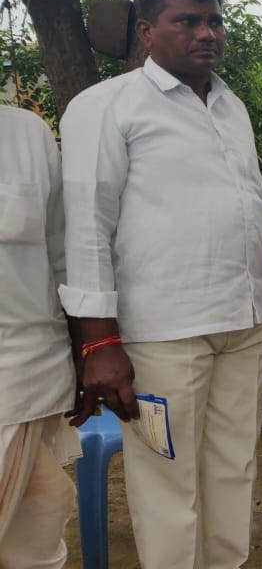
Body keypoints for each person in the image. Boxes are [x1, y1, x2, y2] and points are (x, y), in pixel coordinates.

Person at [59, 0, 262, 568]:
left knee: (234, 470)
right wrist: (98, 342)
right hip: (163, 333)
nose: (205, 33)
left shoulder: (230, 106)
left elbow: (247, 215)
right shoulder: (107, 106)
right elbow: (87, 227)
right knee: (168, 485)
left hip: (240, 326)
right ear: (146, 31)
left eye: (214, 21)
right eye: (186, 21)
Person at [0, 106, 79, 568]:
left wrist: (87, 349)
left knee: (35, 533)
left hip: (26, 374)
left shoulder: (27, 134)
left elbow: (62, 253)